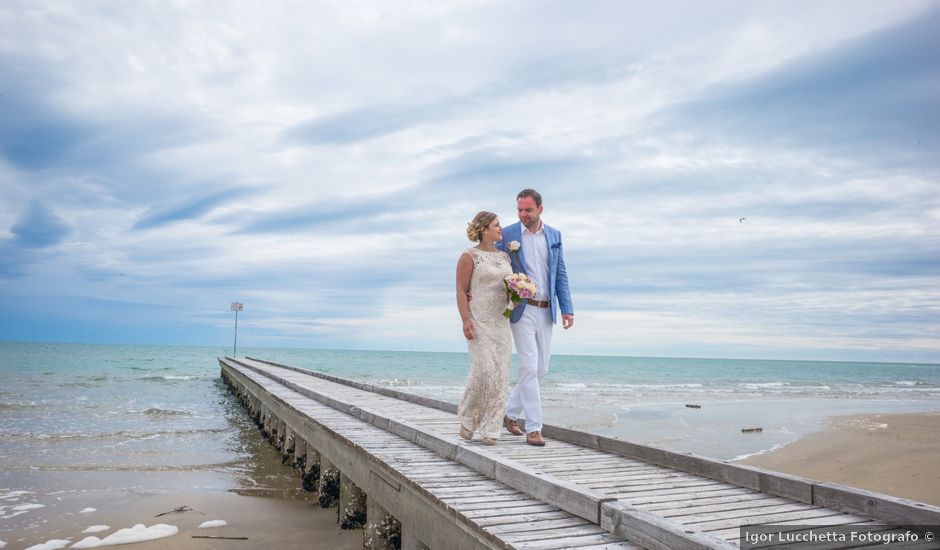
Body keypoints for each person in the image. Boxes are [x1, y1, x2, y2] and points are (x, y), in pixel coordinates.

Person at [497, 189, 574, 446]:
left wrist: (567, 308)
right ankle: (533, 428)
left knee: (541, 369)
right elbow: (495, 265)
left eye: (528, 210)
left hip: (547, 308)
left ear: (540, 209)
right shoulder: (507, 234)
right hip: (521, 308)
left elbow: (559, 273)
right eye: (519, 210)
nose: (523, 215)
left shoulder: (554, 235)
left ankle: (508, 413)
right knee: (529, 365)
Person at [455, 211, 513, 445]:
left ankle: (492, 428)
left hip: (501, 323)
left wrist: (517, 294)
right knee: (483, 372)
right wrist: (465, 320)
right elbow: (460, 290)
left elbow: (509, 288)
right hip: (479, 320)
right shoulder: (469, 256)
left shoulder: (505, 258)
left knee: (500, 377)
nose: (501, 228)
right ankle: (468, 418)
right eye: (497, 225)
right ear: (484, 229)